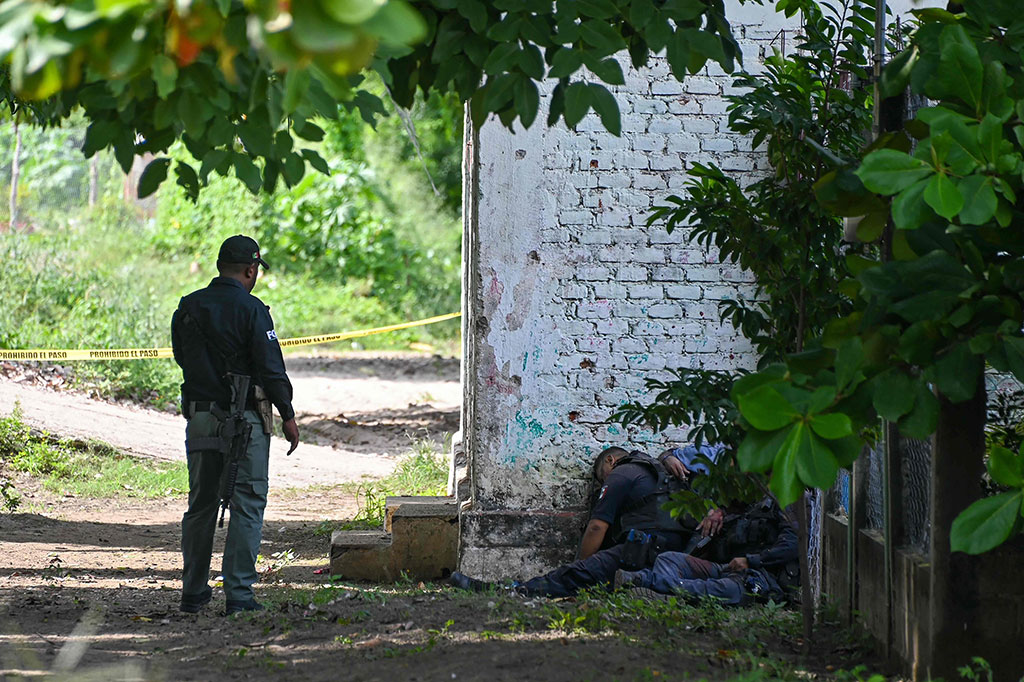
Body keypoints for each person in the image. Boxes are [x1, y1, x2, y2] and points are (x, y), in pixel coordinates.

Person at [171, 235, 300, 616]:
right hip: (244, 420)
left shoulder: (187, 308)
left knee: (201, 506)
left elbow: (183, 358)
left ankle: (192, 593)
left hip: (201, 418)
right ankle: (239, 595)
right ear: (250, 269)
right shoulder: (254, 310)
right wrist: (288, 415)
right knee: (246, 503)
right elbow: (272, 369)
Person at [450, 445, 699, 597]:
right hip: (677, 554)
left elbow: (597, 526)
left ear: (610, 461)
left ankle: (510, 592)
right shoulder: (660, 470)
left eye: (602, 477)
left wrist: (580, 567)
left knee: (572, 575)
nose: (604, 483)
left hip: (647, 548)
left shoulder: (622, 472)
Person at [614, 494, 800, 605]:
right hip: (729, 567)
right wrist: (719, 513)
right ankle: (669, 597)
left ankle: (648, 582)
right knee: (668, 559)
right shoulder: (754, 499)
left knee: (726, 590)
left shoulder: (789, 500)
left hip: (762, 577)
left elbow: (793, 544)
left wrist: (752, 560)